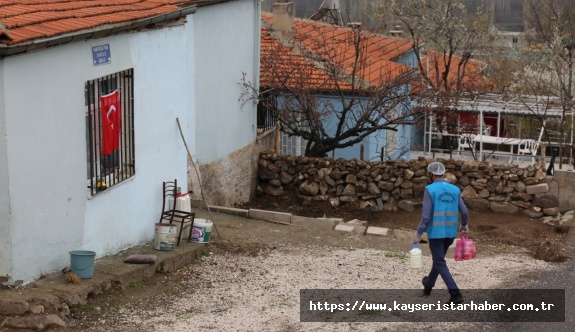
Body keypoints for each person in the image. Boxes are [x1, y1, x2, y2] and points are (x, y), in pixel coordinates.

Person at [413, 161, 469, 304]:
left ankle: (455, 294)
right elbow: (464, 211)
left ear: (431, 173)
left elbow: (426, 216)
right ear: (442, 173)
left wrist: (418, 233)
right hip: (450, 233)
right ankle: (428, 284)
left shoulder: (430, 189)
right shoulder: (455, 189)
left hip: (436, 233)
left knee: (439, 262)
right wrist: (463, 225)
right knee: (438, 261)